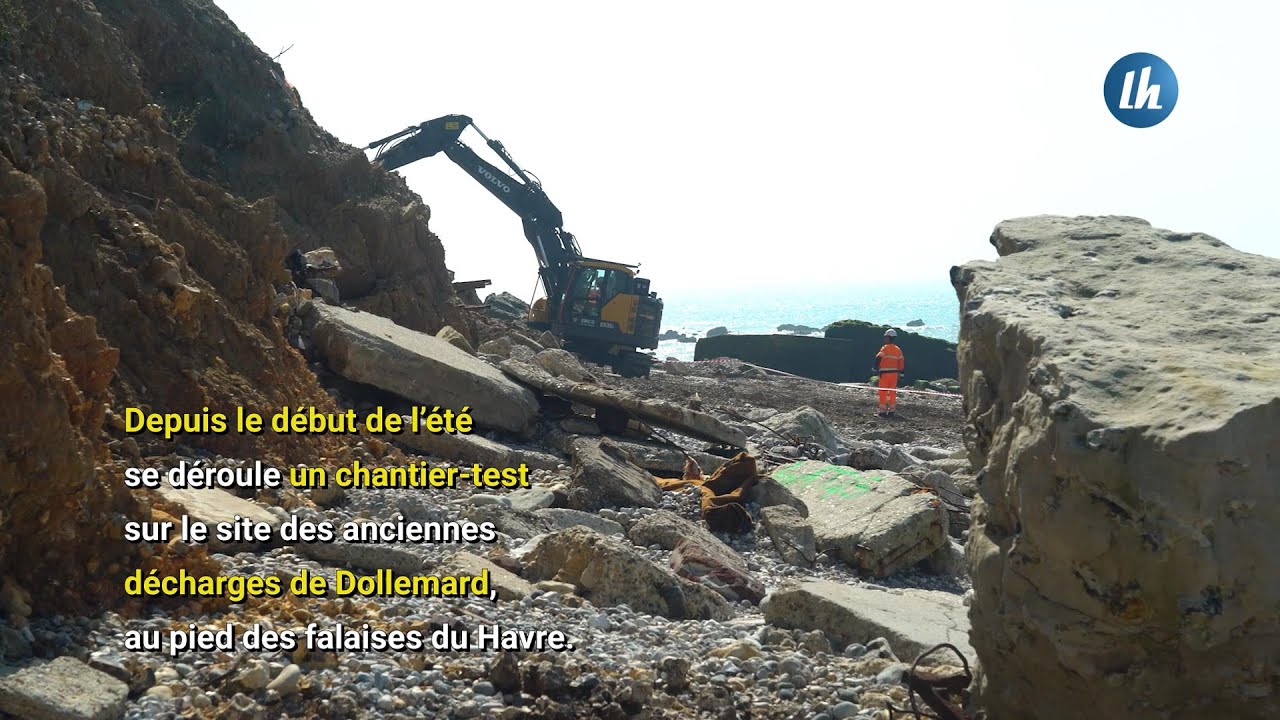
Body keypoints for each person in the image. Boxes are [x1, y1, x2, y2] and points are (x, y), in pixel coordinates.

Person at [873, 328, 906, 417]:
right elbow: (901, 363)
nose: (884, 339)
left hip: (884, 374)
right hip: (894, 374)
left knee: (883, 392)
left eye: (885, 337)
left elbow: (878, 358)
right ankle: (892, 411)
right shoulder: (898, 350)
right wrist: (902, 375)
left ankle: (882, 411)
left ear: (888, 338)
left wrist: (875, 368)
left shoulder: (885, 348)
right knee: (892, 392)